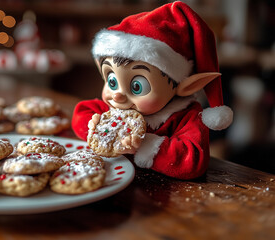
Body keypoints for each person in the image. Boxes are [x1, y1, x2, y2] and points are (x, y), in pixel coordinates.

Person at [71, 1, 233, 179]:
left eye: (137, 86)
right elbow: (82, 112)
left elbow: (193, 161)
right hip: (114, 179)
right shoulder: (116, 111)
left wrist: (144, 144)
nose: (117, 95)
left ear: (183, 86)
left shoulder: (186, 117)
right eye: (112, 81)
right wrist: (94, 127)